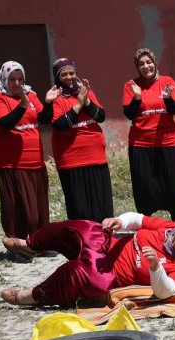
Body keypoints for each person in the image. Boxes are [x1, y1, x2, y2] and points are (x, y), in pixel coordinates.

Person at [0, 212, 175, 307]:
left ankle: (33, 296)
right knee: (85, 227)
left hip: (107, 272)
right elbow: (138, 219)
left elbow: (166, 291)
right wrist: (119, 222)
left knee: (84, 275)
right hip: (105, 245)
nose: (174, 240)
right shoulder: (170, 227)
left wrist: (155, 267)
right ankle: (30, 245)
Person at [0, 61, 50, 263]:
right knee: (18, 207)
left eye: (20, 79)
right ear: (4, 78)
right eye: (12, 79)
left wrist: (48, 103)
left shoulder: (30, 94)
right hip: (10, 161)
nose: (17, 83)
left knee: (38, 207)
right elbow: (5, 123)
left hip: (35, 159)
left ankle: (39, 244)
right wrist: (22, 105)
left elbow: (44, 118)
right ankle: (18, 247)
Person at [38, 57, 113, 223]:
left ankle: (104, 237)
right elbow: (60, 124)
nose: (69, 77)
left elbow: (101, 116)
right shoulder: (56, 97)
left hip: (96, 156)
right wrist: (78, 105)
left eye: (72, 73)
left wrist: (85, 100)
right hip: (71, 159)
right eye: (64, 74)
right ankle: (83, 240)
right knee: (80, 206)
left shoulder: (85, 92)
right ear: (57, 77)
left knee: (101, 203)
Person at [123, 48, 175, 221]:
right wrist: (136, 98)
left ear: (155, 63)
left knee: (174, 183)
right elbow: (129, 114)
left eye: (149, 62)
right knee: (145, 186)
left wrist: (167, 97)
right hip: (141, 144)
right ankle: (147, 222)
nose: (146, 66)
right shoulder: (131, 86)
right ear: (137, 67)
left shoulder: (167, 81)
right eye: (141, 63)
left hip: (168, 142)